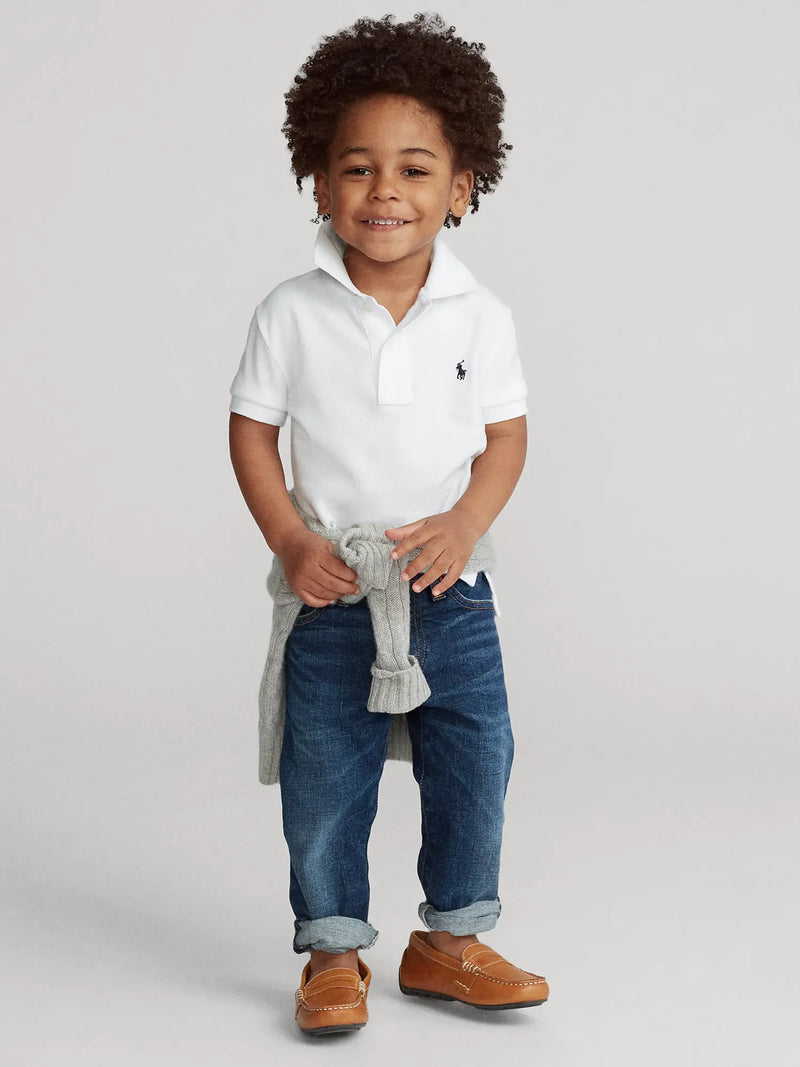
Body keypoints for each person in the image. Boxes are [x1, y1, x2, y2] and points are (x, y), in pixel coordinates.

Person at [228, 12, 549, 1036]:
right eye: (356, 168)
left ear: (461, 187)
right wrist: (290, 541)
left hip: (450, 589)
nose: (384, 192)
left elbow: (504, 439)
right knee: (327, 775)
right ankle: (332, 949)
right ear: (318, 184)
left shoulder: (479, 315)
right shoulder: (289, 311)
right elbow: (249, 436)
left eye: (414, 169)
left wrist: (463, 522)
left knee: (475, 760)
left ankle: (448, 939)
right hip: (333, 587)